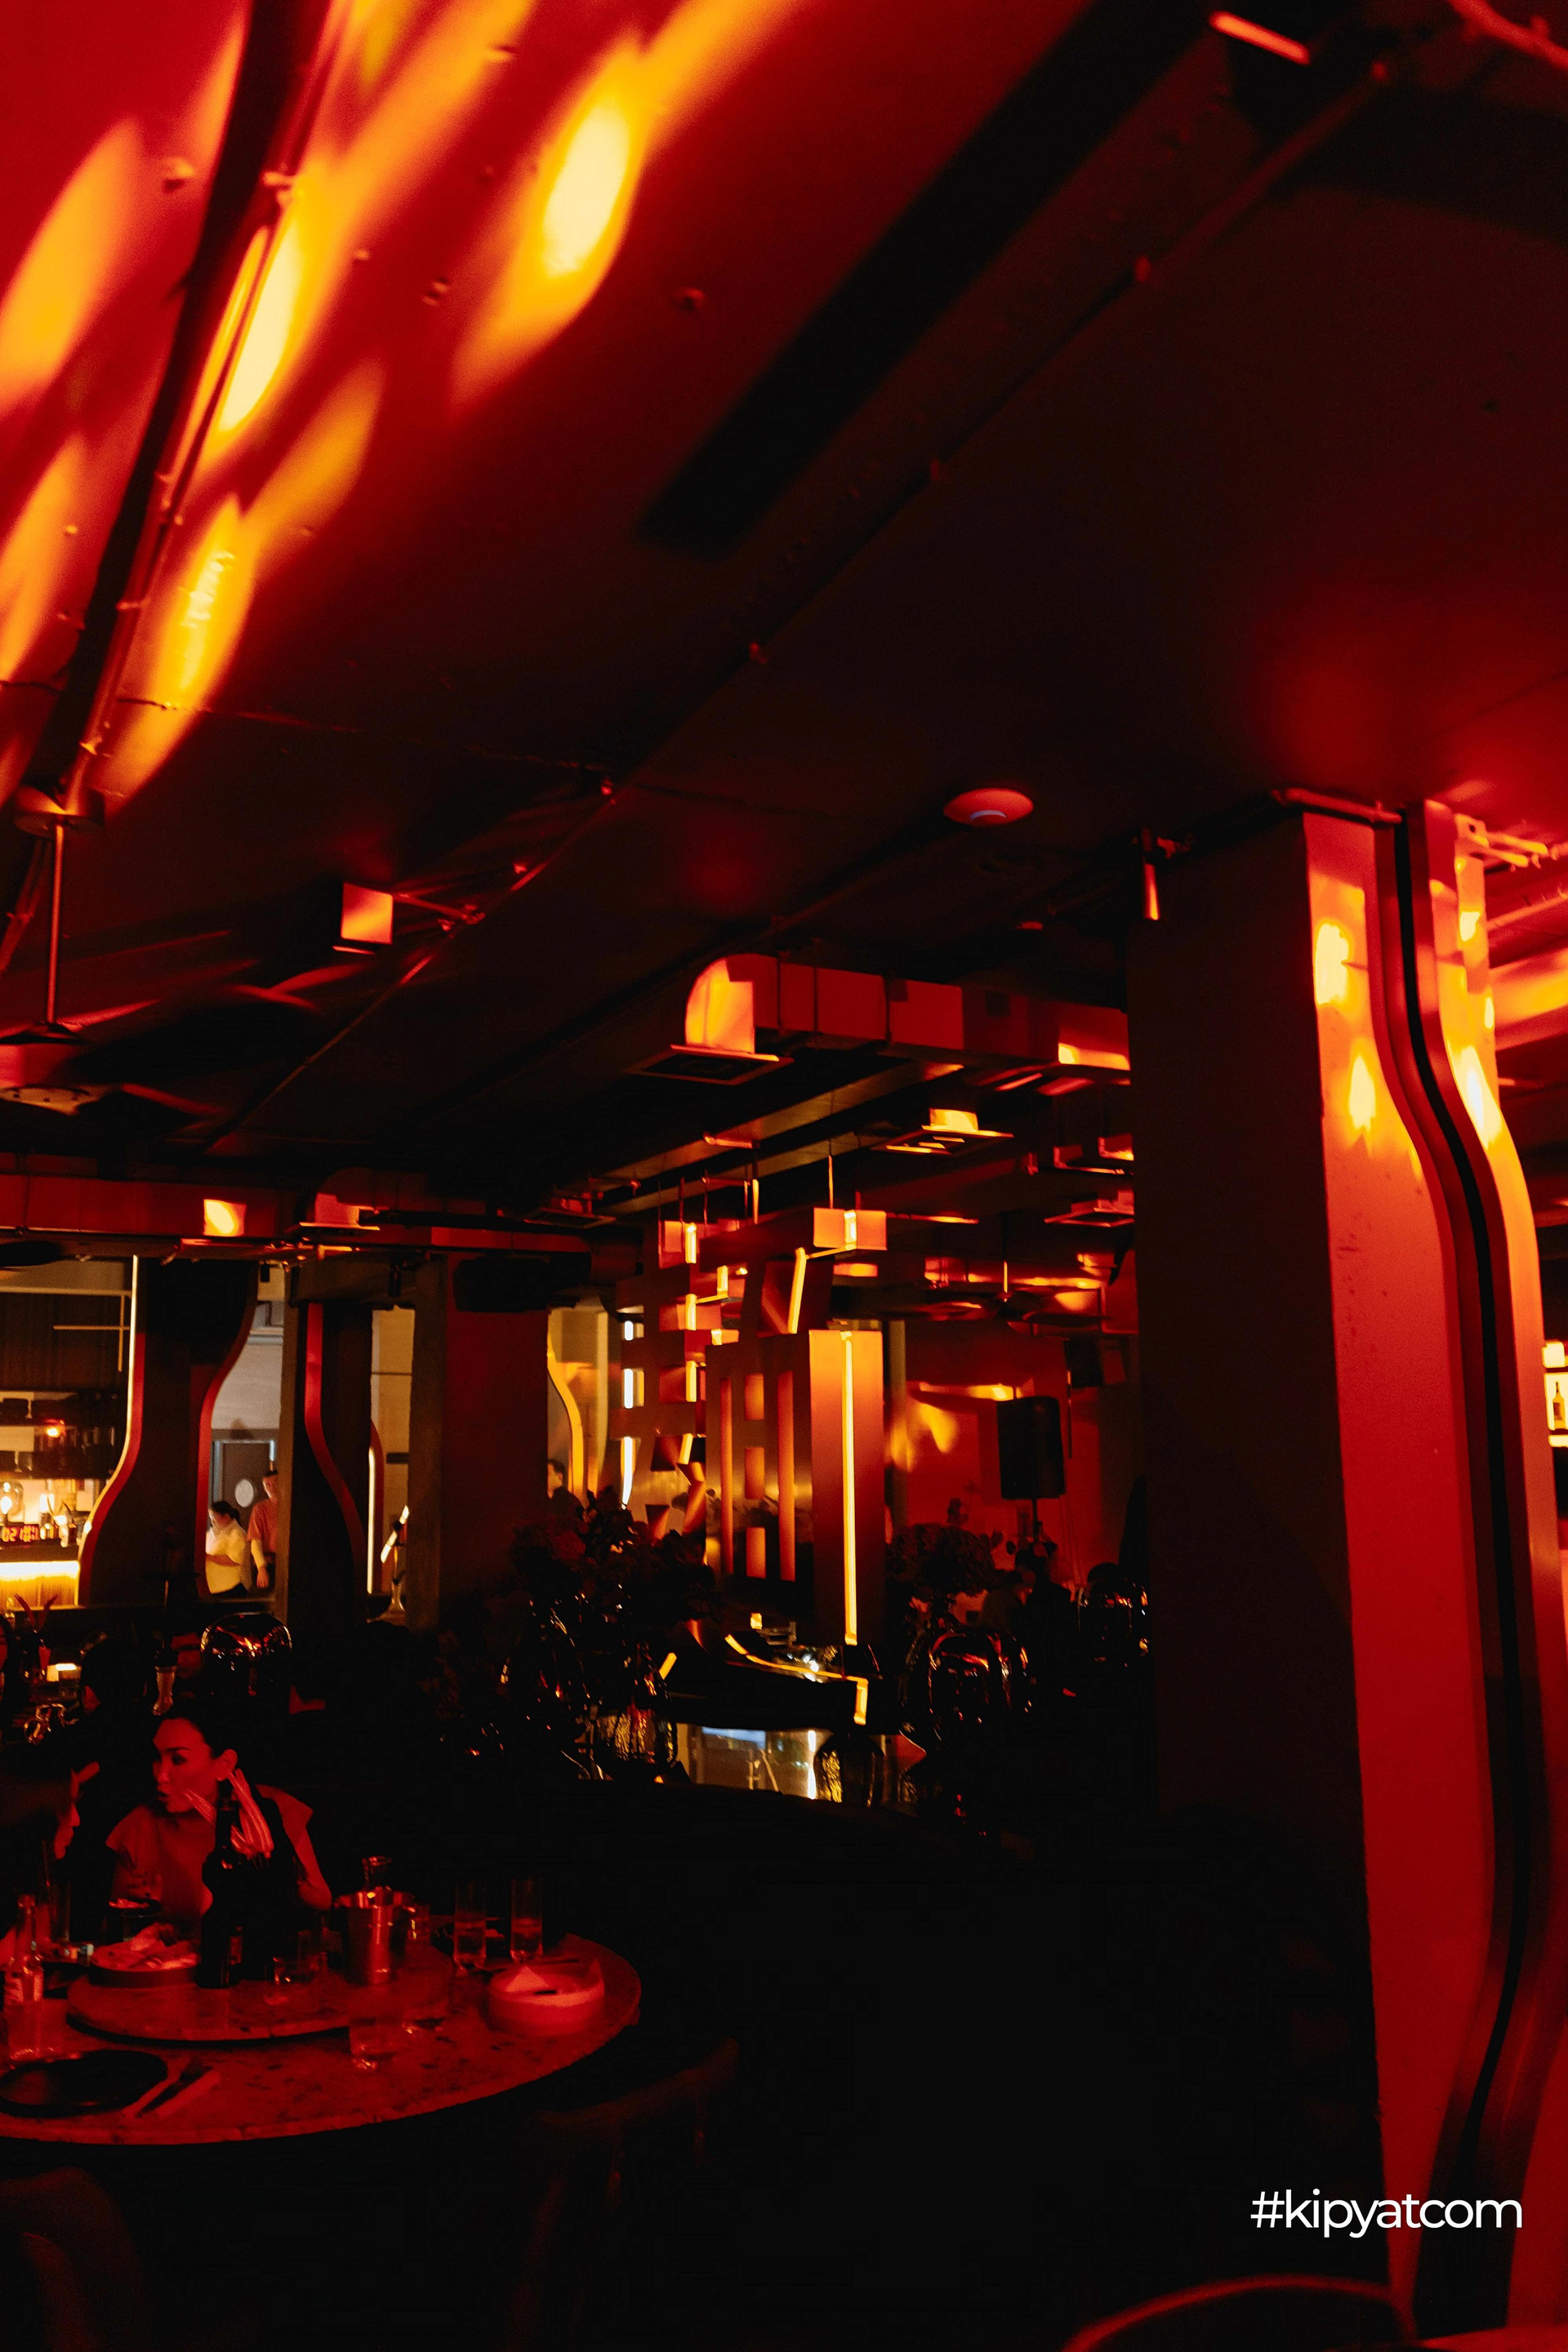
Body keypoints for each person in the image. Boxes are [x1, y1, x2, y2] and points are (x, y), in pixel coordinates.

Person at [106, 1698, 330, 1934]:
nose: (161, 1775)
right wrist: (145, 1908)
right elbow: (118, 1925)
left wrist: (275, 1870)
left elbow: (322, 1900)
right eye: (157, 1758)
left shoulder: (266, 1811)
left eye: (178, 1760)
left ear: (224, 1764)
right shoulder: (141, 1824)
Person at [204, 1499, 252, 1597]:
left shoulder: (237, 1534)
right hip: (214, 1586)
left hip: (232, 1587)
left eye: (214, 1517)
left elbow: (235, 1559)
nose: (212, 1521)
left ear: (226, 1516)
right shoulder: (211, 1533)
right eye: (210, 1517)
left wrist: (209, 1557)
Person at [247, 1469, 279, 1591]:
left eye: (275, 1483)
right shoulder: (260, 1509)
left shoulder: (290, 1505)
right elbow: (255, 1541)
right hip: (268, 1563)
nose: (271, 1487)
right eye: (267, 1484)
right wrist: (261, 1569)